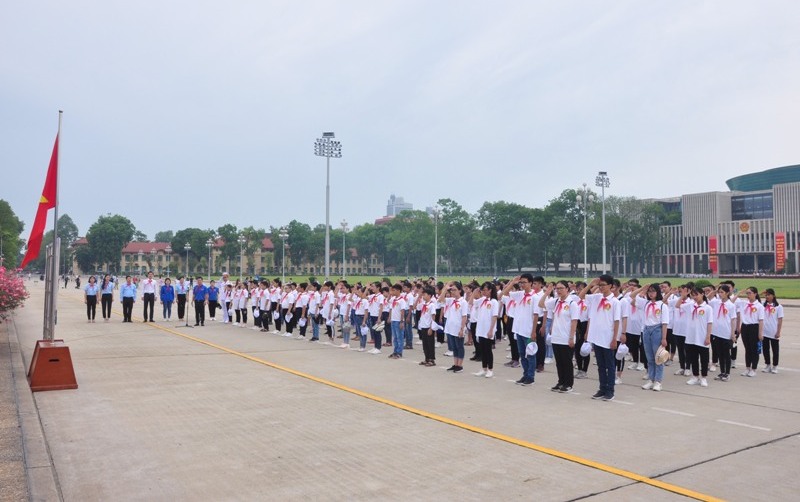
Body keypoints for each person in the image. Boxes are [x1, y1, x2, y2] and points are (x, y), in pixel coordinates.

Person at [578, 275, 621, 401]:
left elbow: (617, 321)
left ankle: (610, 390)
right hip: (597, 337)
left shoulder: (615, 302)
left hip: (608, 338)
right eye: (600, 285)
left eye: (603, 285)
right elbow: (580, 296)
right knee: (601, 365)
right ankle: (602, 388)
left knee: (610, 365)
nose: (601, 287)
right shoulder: (596, 298)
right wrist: (591, 283)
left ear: (611, 286)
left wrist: (614, 339)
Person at [500, 274, 537, 386]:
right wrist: (512, 282)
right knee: (522, 354)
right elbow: (504, 293)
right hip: (519, 329)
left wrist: (533, 331)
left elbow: (536, 315)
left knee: (530, 354)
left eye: (524, 282)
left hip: (528, 330)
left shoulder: (535, 297)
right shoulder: (519, 294)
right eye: (521, 283)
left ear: (530, 283)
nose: (522, 284)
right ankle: (525, 374)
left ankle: (531, 377)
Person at [632, 283, 669, 391]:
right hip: (646, 330)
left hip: (657, 330)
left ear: (657, 292)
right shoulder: (646, 303)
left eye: (653, 291)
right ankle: (651, 379)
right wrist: (643, 289)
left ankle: (658, 381)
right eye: (649, 291)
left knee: (658, 357)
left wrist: (664, 338)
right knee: (649, 357)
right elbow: (633, 297)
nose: (651, 293)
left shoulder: (662, 305)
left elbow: (665, 323)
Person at [546, 281, 578, 392]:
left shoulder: (572, 303)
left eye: (561, 288)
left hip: (566, 338)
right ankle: (561, 382)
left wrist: (571, 337)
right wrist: (547, 293)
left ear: (567, 289)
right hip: (556, 337)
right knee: (559, 362)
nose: (559, 290)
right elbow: (541, 304)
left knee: (567, 362)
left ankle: (568, 384)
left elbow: (574, 321)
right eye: (557, 288)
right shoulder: (555, 302)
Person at [677, 287, 713, 387]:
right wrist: (683, 297)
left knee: (704, 359)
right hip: (690, 337)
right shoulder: (690, 305)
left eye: (696, 294)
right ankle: (695, 376)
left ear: (702, 294)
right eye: (693, 295)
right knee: (693, 358)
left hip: (702, 337)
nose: (695, 297)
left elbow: (709, 323)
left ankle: (704, 377)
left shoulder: (707, 308)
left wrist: (708, 336)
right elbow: (677, 305)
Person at [709, 284, 736, 381]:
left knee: (726, 354)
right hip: (716, 332)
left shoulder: (731, 305)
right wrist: (715, 291)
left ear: (727, 293)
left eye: (722, 292)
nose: (720, 294)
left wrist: (733, 333)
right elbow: (707, 298)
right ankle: (721, 372)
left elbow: (733, 320)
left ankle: (727, 373)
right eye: (719, 292)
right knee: (719, 354)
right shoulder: (716, 302)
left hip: (726, 333)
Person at [472, 281, 499, 378]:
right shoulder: (482, 300)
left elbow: (494, 316)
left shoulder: (494, 302)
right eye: (482, 290)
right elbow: (471, 302)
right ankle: (483, 368)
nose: (483, 292)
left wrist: (491, 330)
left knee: (488, 350)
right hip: (481, 329)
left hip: (488, 329)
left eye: (485, 290)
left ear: (490, 290)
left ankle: (490, 369)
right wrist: (475, 292)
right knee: (482, 350)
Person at [737, 287, 764, 377]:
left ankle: (754, 369)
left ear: (755, 294)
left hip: (754, 327)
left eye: (750, 293)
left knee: (754, 349)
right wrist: (740, 292)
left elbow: (761, 321)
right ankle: (747, 368)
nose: (748, 295)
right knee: (747, 349)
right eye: (747, 293)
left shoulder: (759, 306)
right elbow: (732, 301)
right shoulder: (743, 303)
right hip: (745, 327)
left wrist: (760, 333)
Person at [442, 281, 468, 372]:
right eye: (452, 290)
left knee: (459, 346)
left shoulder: (463, 302)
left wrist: (462, 329)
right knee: (454, 347)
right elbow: (441, 299)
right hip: (450, 327)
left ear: (460, 290)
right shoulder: (451, 300)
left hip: (458, 328)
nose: (453, 292)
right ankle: (455, 364)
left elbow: (464, 316)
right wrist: (446, 288)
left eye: (455, 290)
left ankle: (460, 365)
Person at [761, 288, 783, 374]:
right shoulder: (763, 305)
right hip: (764, 332)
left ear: (773, 296)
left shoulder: (778, 307)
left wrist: (778, 331)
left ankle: (775, 366)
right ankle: (767, 365)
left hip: (773, 332)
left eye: (769, 295)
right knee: (765, 349)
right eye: (766, 295)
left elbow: (780, 320)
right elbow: (754, 298)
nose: (767, 296)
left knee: (775, 350)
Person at [417, 285, 437, 365]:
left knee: (430, 344)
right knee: (424, 344)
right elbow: (415, 307)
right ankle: (426, 358)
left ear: (429, 295)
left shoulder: (432, 305)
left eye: (424, 294)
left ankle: (431, 359)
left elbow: (433, 317)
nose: (423, 296)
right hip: (423, 326)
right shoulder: (423, 304)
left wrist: (431, 328)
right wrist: (418, 298)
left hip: (429, 327)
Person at [388, 284, 408, 359]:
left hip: (398, 320)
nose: (393, 292)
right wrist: (390, 317)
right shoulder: (393, 299)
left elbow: (402, 311)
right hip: (393, 320)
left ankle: (399, 352)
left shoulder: (402, 300)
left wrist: (402, 321)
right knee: (395, 337)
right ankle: (395, 351)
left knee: (400, 337)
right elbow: (389, 305)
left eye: (394, 290)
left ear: (399, 291)